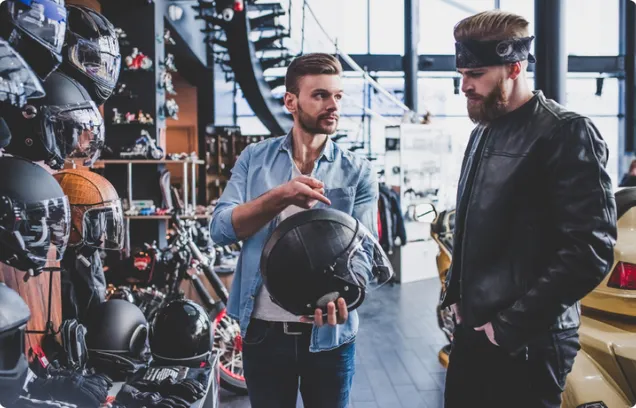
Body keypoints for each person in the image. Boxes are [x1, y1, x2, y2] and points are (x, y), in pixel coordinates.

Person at [440, 10, 617, 408]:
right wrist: (456, 298)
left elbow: (590, 250)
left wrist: (507, 326)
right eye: (462, 73)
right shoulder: (483, 129)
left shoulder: (566, 131)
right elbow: (472, 229)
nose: (464, 85)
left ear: (514, 68)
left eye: (476, 74)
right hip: (475, 332)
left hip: (527, 341)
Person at [210, 53, 378, 407]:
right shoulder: (254, 159)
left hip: (330, 335)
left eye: (338, 96)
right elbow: (220, 229)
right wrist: (279, 196)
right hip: (264, 333)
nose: (333, 105)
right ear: (291, 101)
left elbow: (365, 252)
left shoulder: (358, 172)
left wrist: (349, 295)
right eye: (320, 95)